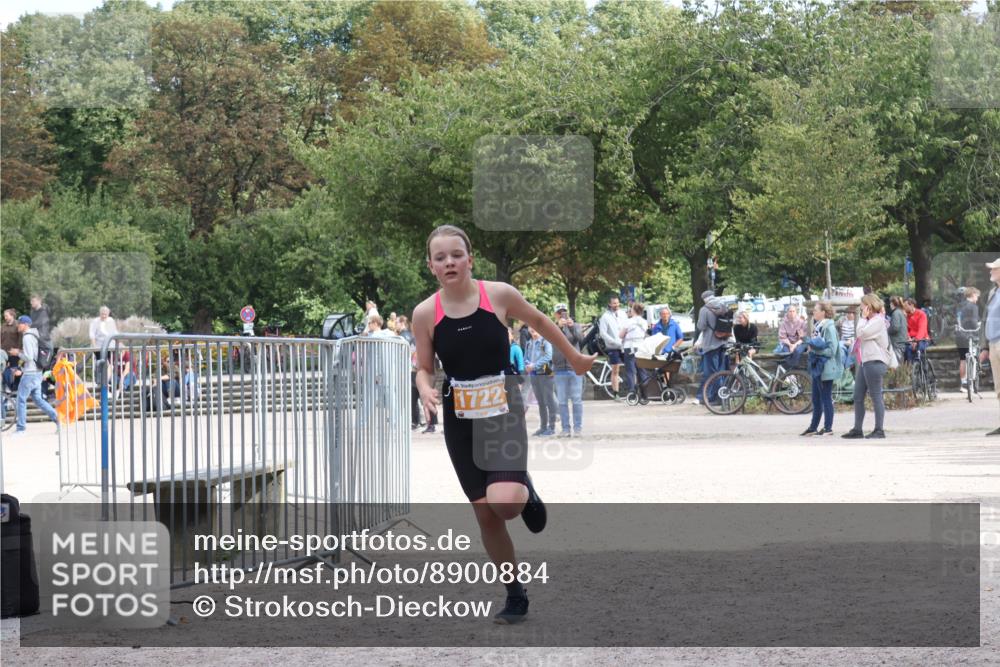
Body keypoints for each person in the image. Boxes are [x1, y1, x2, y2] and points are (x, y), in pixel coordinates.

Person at [412, 224, 595, 624]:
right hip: (460, 419)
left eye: (456, 255)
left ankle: (523, 490)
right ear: (431, 266)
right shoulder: (425, 313)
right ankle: (515, 593)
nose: (449, 262)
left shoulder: (498, 294)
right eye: (440, 257)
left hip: (503, 409)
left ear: (470, 258)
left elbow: (542, 322)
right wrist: (424, 387)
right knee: (486, 515)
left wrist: (575, 358)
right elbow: (424, 368)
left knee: (506, 503)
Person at [841, 294, 894, 440]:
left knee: (876, 395)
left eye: (862, 305)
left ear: (869, 306)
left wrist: (863, 318)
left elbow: (861, 333)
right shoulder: (870, 321)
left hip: (875, 361)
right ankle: (857, 429)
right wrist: (864, 320)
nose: (860, 308)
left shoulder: (877, 321)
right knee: (858, 396)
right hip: (866, 361)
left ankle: (879, 430)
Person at [10, 315, 61, 436]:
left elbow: (29, 357)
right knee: (38, 400)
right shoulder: (35, 335)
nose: (18, 325)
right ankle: (58, 419)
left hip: (30, 373)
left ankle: (21, 429)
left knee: (20, 400)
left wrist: (18, 353)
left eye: (20, 323)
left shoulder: (27, 337)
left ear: (26, 324)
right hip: (38, 372)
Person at [801, 301, 842, 437]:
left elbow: (832, 350)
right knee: (816, 398)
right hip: (818, 366)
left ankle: (828, 428)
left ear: (824, 312)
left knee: (825, 398)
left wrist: (815, 351)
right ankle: (813, 427)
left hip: (826, 367)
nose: (814, 312)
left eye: (816, 310)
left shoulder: (829, 327)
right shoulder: (819, 326)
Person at [551, 304, 584, 437]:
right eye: (559, 313)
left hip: (574, 367)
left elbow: (580, 340)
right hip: (559, 368)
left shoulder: (575, 326)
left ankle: (577, 428)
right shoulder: (552, 327)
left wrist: (571, 327)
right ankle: (565, 429)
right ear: (555, 315)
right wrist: (558, 327)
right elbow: (551, 339)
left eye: (564, 312)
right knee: (562, 401)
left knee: (576, 399)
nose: (562, 315)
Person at [695, 290, 729, 405]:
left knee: (711, 372)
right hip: (723, 342)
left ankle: (713, 397)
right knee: (720, 371)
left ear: (704, 299)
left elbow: (701, 326)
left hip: (710, 344)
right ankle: (720, 396)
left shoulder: (704, 309)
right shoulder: (724, 306)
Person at [524, 326, 556, 436]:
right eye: (530, 327)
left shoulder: (545, 340)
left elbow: (548, 356)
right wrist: (527, 365)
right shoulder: (529, 343)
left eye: (534, 326)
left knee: (549, 401)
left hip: (546, 373)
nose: (532, 329)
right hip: (534, 374)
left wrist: (534, 365)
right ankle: (543, 427)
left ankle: (551, 428)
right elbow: (526, 357)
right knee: (541, 402)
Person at [598, 296, 628, 397]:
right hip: (613, 347)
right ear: (610, 304)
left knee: (631, 368)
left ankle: (633, 391)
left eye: (617, 303)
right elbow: (603, 333)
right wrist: (614, 341)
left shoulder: (623, 314)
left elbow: (627, 327)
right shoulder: (605, 317)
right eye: (614, 303)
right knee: (615, 369)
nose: (616, 305)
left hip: (624, 345)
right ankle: (616, 393)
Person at [984, 259, 1000, 436]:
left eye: (993, 269)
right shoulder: (993, 293)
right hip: (993, 343)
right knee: (999, 387)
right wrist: (984, 347)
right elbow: (986, 319)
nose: (990, 272)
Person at [620, 302, 647, 396]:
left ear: (633, 310)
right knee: (642, 370)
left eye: (631, 309)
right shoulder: (644, 321)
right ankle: (646, 392)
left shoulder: (629, 321)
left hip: (630, 347)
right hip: (641, 347)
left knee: (630, 371)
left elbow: (621, 335)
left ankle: (632, 392)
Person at [956, 287, 981, 389]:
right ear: (973, 295)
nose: (977, 298)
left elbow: (957, 319)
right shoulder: (973, 307)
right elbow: (974, 322)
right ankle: (973, 379)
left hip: (960, 335)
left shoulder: (959, 306)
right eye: (977, 296)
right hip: (970, 334)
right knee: (973, 355)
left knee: (963, 359)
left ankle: (963, 383)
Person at [903, 297, 930, 363]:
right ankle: (911, 369)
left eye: (906, 306)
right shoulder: (905, 316)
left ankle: (918, 368)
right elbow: (905, 330)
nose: (904, 308)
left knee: (914, 349)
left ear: (912, 305)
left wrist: (916, 340)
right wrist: (909, 338)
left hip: (922, 339)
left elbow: (922, 329)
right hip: (911, 339)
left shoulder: (921, 314)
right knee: (905, 349)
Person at [2, 308, 22, 392]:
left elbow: (21, 338)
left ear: (12, 315)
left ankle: (15, 389)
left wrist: (20, 350)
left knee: (15, 372)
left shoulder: (18, 325)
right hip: (3, 353)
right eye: (4, 316)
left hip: (14, 354)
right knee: (4, 371)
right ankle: (7, 389)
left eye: (6, 316)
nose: (5, 317)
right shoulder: (3, 326)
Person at [888, 296, 909, 361]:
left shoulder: (896, 313)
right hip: (901, 342)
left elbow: (895, 328)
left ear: (892, 304)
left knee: (897, 364)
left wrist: (886, 330)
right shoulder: (901, 312)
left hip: (897, 342)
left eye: (890, 303)